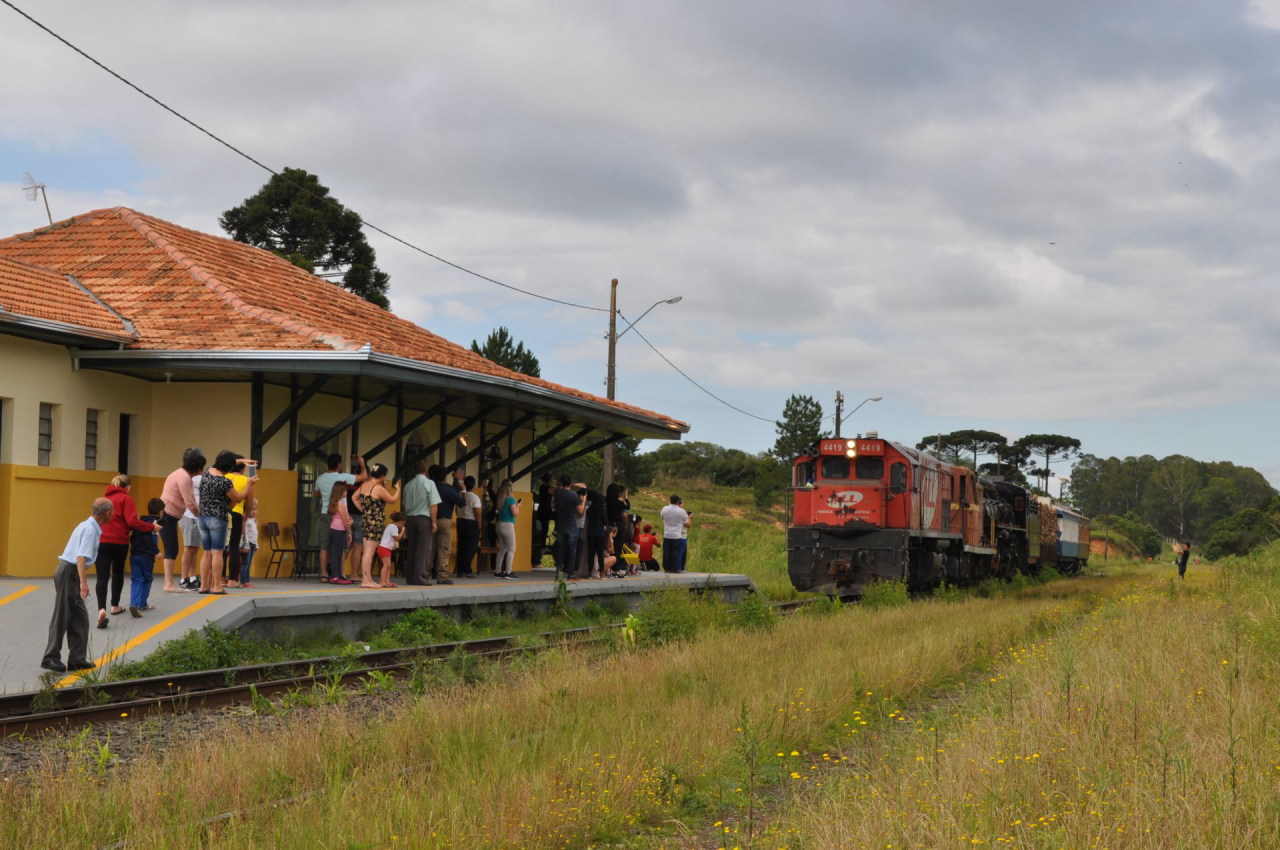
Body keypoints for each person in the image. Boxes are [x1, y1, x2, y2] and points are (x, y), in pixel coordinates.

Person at [42, 498, 112, 673]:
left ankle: (77, 658)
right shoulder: (90, 530)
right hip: (70, 572)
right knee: (62, 614)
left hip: (70, 571)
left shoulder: (88, 526)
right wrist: (83, 583)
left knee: (80, 616)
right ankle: (50, 658)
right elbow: (81, 557)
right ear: (107, 513)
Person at [97, 474, 156, 628]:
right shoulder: (126, 499)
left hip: (102, 540)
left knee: (102, 577)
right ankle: (114, 606)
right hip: (119, 541)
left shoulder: (104, 499)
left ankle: (101, 609)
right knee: (117, 572)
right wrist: (151, 527)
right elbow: (132, 522)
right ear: (128, 486)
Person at [197, 451, 257, 595]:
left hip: (202, 517)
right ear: (229, 467)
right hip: (218, 518)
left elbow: (225, 462)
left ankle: (204, 586)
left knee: (206, 553)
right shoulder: (224, 482)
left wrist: (242, 461)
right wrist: (249, 484)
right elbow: (237, 498)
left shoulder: (207, 472)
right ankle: (217, 586)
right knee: (217, 553)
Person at [315, 453, 368, 581]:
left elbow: (316, 494)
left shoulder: (320, 478)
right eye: (341, 463)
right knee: (342, 546)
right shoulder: (342, 477)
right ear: (338, 464)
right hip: (339, 514)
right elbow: (364, 476)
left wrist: (328, 497)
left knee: (324, 546)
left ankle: (324, 574)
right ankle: (339, 573)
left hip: (324, 513)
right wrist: (361, 462)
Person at [159, 448, 204, 593]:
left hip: (170, 514)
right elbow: (190, 503)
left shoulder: (180, 473)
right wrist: (201, 518)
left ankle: (169, 582)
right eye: (202, 467)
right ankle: (168, 584)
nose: (203, 470)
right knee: (171, 549)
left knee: (172, 548)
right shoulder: (184, 477)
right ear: (196, 467)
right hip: (168, 514)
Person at [356, 464, 400, 589]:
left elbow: (355, 498)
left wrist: (365, 510)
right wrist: (397, 489)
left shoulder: (364, 485)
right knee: (369, 552)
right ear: (382, 475)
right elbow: (392, 500)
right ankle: (365, 580)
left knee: (367, 550)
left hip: (366, 520)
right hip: (375, 521)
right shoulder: (377, 488)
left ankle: (368, 578)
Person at [401, 460, 440, 586]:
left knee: (411, 548)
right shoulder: (429, 483)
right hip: (423, 519)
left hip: (410, 519)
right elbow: (433, 504)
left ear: (413, 471)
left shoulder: (408, 485)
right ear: (426, 470)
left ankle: (410, 577)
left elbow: (404, 504)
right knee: (423, 549)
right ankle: (420, 577)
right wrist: (434, 522)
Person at [430, 465, 466, 584]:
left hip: (430, 519)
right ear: (445, 477)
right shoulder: (448, 489)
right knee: (444, 549)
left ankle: (424, 573)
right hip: (445, 520)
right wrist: (464, 491)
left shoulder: (431, 487)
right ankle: (442, 576)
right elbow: (461, 502)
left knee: (429, 548)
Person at [224, 460, 250, 588]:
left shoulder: (225, 477)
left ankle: (220, 578)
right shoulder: (247, 480)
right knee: (234, 547)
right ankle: (232, 579)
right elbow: (249, 502)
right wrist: (247, 514)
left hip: (223, 513)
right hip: (238, 513)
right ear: (243, 469)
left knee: (220, 547)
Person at [552, 475, 583, 579]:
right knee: (572, 550)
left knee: (560, 549)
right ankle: (570, 573)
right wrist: (583, 500)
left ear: (560, 482)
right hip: (572, 526)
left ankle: (558, 571)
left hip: (561, 526)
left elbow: (557, 488)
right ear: (570, 483)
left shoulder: (557, 493)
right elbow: (580, 512)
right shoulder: (574, 495)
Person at [455, 475, 483, 578]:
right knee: (471, 547)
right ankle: (467, 569)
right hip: (471, 523)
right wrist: (479, 525)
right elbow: (478, 513)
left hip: (460, 521)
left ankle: (460, 570)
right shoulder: (475, 498)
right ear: (474, 486)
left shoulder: (459, 495)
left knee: (461, 546)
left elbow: (456, 510)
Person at [180, 467, 203, 590]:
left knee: (194, 549)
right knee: (188, 548)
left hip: (197, 517)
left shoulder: (199, 478)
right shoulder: (195, 479)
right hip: (189, 516)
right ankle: (184, 579)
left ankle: (192, 577)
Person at [326, 482, 354, 584]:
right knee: (337, 553)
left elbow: (347, 517)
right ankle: (335, 576)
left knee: (337, 553)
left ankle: (337, 575)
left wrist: (350, 520)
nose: (346, 492)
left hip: (334, 528)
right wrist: (349, 533)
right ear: (341, 492)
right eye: (345, 490)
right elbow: (346, 521)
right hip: (339, 529)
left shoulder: (335, 502)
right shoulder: (341, 504)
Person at [493, 479, 520, 579]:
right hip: (508, 526)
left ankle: (497, 571)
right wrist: (518, 506)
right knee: (511, 549)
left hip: (499, 525)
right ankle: (508, 572)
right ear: (510, 488)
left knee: (502, 549)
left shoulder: (500, 499)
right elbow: (515, 513)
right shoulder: (510, 499)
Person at [660, 494, 691, 573]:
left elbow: (662, 517)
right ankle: (674, 568)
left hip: (667, 534)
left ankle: (666, 567)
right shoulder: (681, 511)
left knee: (666, 551)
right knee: (675, 552)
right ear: (678, 501)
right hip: (677, 535)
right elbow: (686, 522)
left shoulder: (665, 509)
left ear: (670, 500)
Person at [376, 511, 406, 588]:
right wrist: (402, 531)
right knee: (387, 565)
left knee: (388, 566)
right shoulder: (393, 527)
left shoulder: (390, 526)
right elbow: (397, 538)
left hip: (386, 548)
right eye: (403, 524)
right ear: (401, 522)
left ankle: (387, 581)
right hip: (384, 548)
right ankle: (383, 582)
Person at [585, 489, 609, 579]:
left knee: (591, 553)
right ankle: (602, 573)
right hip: (600, 533)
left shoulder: (589, 511)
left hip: (590, 533)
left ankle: (589, 573)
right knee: (600, 554)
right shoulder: (602, 511)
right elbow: (605, 522)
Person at [534, 472, 554, 567]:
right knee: (556, 517)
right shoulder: (548, 488)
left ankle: (543, 546)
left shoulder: (542, 486)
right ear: (549, 479)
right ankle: (556, 530)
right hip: (546, 510)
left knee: (545, 529)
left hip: (541, 510)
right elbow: (556, 490)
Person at [239, 500, 260, 589]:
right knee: (245, 562)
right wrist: (246, 544)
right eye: (252, 510)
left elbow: (255, 533)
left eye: (255, 509)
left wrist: (256, 544)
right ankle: (243, 581)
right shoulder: (246, 521)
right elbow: (245, 533)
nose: (254, 511)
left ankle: (248, 580)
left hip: (253, 544)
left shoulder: (254, 521)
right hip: (248, 544)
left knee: (249, 563)